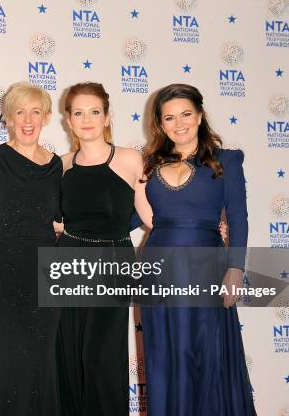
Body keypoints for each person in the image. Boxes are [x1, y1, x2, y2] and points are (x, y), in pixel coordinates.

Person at [135, 83, 255, 416]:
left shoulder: (225, 161)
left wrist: (235, 268)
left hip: (207, 268)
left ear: (200, 115)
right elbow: (127, 215)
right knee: (164, 356)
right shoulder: (148, 166)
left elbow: (239, 218)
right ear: (160, 123)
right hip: (158, 270)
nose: (179, 123)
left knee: (207, 353)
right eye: (169, 117)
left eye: (186, 114)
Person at [54, 82, 143, 416]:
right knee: (68, 356)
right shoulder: (60, 165)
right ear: (68, 121)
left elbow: (151, 214)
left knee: (102, 360)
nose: (86, 119)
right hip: (67, 263)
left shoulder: (131, 159)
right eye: (78, 113)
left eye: (94, 112)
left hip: (113, 263)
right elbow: (55, 223)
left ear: (107, 117)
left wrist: (209, 223)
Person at [0, 82, 62, 416]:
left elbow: (60, 219)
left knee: (43, 358)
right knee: (6, 358)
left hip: (45, 270)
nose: (28, 120)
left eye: (35, 112)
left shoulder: (57, 165)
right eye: (20, 112)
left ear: (47, 117)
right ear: (8, 118)